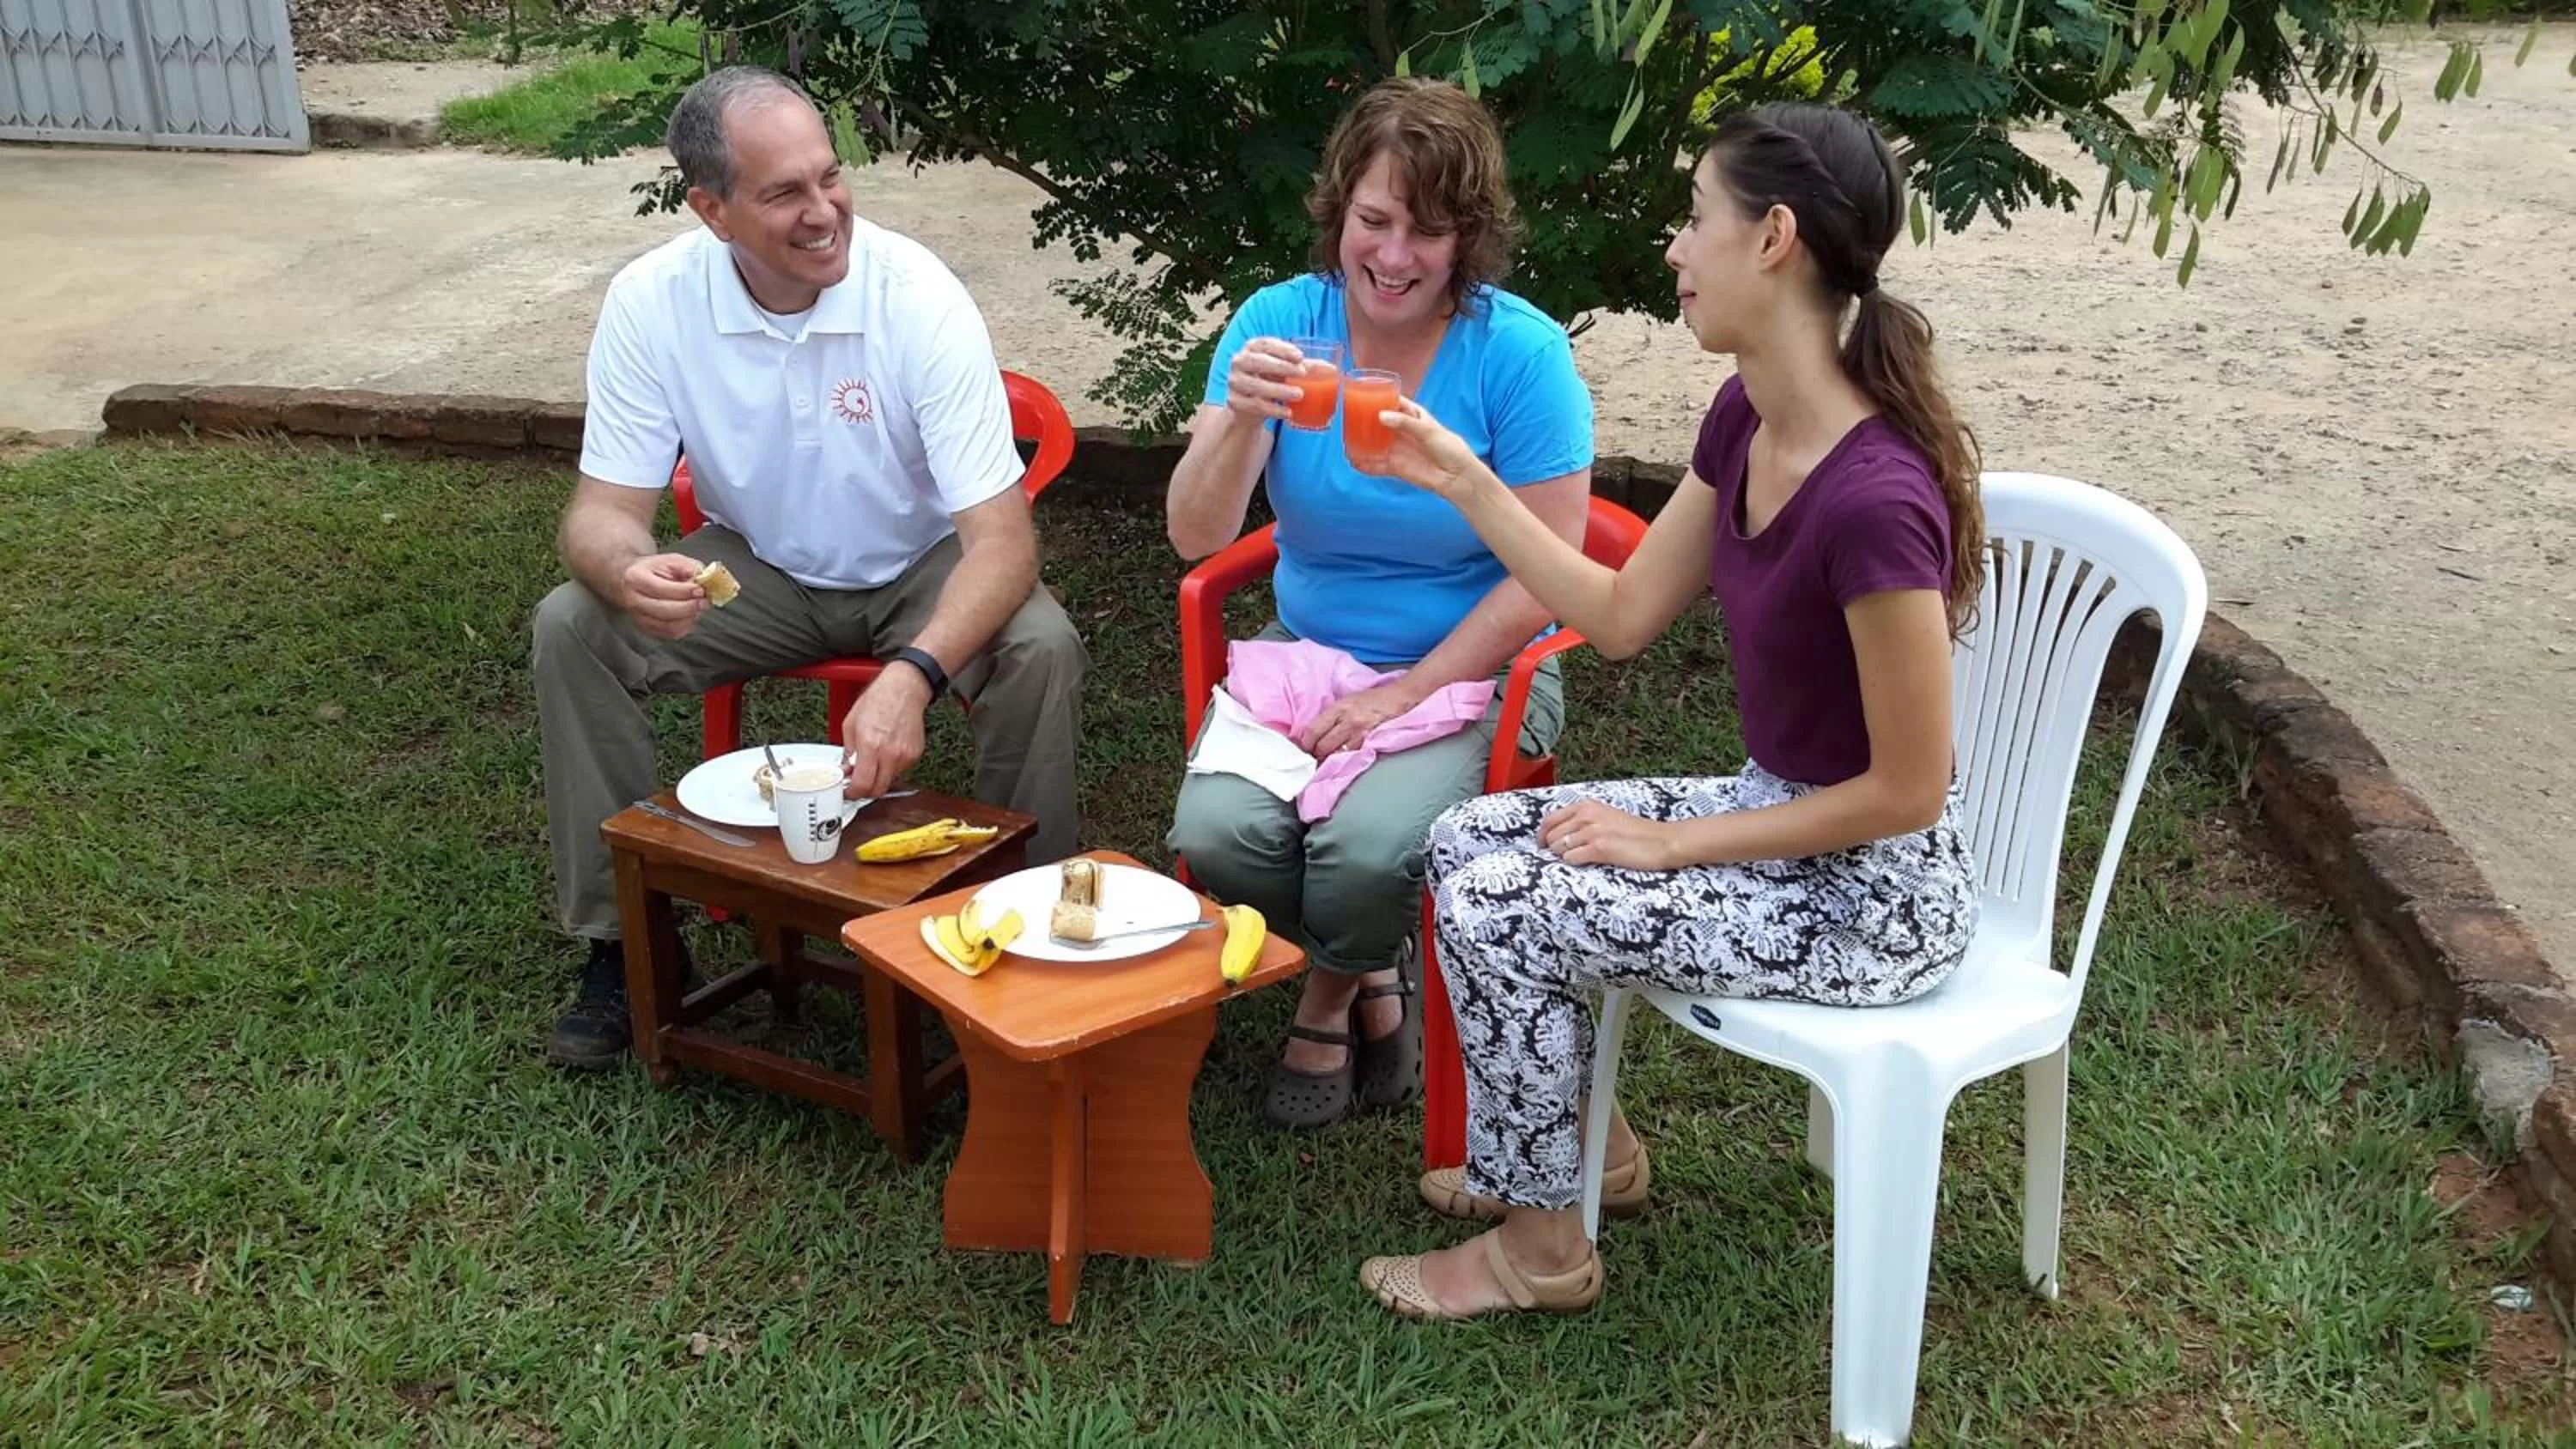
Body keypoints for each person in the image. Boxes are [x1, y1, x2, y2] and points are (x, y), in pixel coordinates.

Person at [1350, 102, 1987, 1317]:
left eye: (1697, 221)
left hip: (1878, 900)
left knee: (1504, 899)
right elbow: (1627, 614)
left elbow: (1910, 790)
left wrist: (1674, 843)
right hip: (1785, 818)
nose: (1676, 251)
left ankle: (1542, 1249)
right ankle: (1599, 1158)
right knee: (1469, 837)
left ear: (1774, 240)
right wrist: (1465, 477)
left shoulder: (1875, 501)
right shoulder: (1747, 416)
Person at [532, 66, 1086, 1069]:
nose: (824, 211)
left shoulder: (915, 293)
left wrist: (915, 673)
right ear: (712, 209)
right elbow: (602, 515)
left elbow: (1002, 541)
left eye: (831, 177)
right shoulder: (652, 301)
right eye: (784, 192)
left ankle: (1019, 924)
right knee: (570, 624)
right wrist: (626, 571)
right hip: (760, 569)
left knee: (1040, 643)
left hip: (926, 562)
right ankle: (627, 946)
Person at [1164, 77, 1595, 1131]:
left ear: (1471, 238)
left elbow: (1547, 567)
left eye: (1430, 230)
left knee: (1365, 849)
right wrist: (1234, 423)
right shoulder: (1281, 323)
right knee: (1216, 833)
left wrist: (1408, 691)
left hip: (1476, 666)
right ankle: (1377, 976)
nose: (1395, 256)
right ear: (1337, 211)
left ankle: (1325, 995)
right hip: (1308, 652)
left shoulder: (1519, 354)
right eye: (1375, 220)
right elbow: (1195, 536)